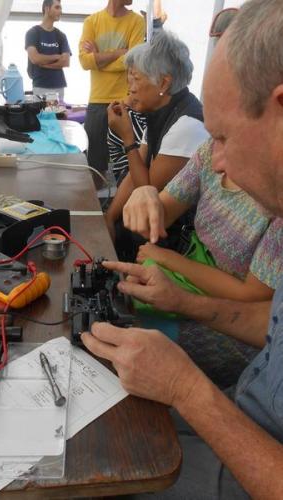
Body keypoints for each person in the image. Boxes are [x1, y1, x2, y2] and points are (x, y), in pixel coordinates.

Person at [81, 0, 283, 498]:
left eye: (222, 137)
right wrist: (185, 301)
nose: (213, 163)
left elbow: (254, 297)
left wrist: (186, 390)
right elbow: (269, 324)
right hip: (240, 412)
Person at [136, 138, 283, 386]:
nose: (216, 163)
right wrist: (145, 195)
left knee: (137, 338)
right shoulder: (211, 151)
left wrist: (169, 261)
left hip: (238, 325)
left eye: (227, 135)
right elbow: (154, 221)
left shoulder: (273, 200)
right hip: (192, 286)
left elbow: (253, 297)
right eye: (216, 135)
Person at [104, 31, 209, 246]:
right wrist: (109, 217)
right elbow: (136, 174)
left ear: (163, 83)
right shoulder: (160, 111)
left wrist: (127, 138)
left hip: (183, 236)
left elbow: (147, 188)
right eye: (129, 78)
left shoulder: (187, 124)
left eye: (137, 79)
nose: (130, 88)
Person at [79, 0, 145, 173]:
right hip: (97, 100)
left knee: (128, 160)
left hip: (126, 100)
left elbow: (131, 60)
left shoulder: (137, 21)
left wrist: (99, 59)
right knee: (94, 163)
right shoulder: (91, 22)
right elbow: (85, 61)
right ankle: (97, 199)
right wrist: (117, 53)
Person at [107, 69, 147, 185]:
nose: (133, 87)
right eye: (132, 74)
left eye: (139, 77)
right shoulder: (123, 114)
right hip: (129, 179)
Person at [25, 0, 71, 102]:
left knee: (58, 117)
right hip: (40, 86)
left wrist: (44, 64)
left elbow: (66, 62)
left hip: (58, 87)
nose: (60, 11)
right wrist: (56, 57)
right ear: (47, 8)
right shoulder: (33, 33)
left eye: (61, 8)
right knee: (41, 116)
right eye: (57, 7)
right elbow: (35, 58)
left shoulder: (61, 36)